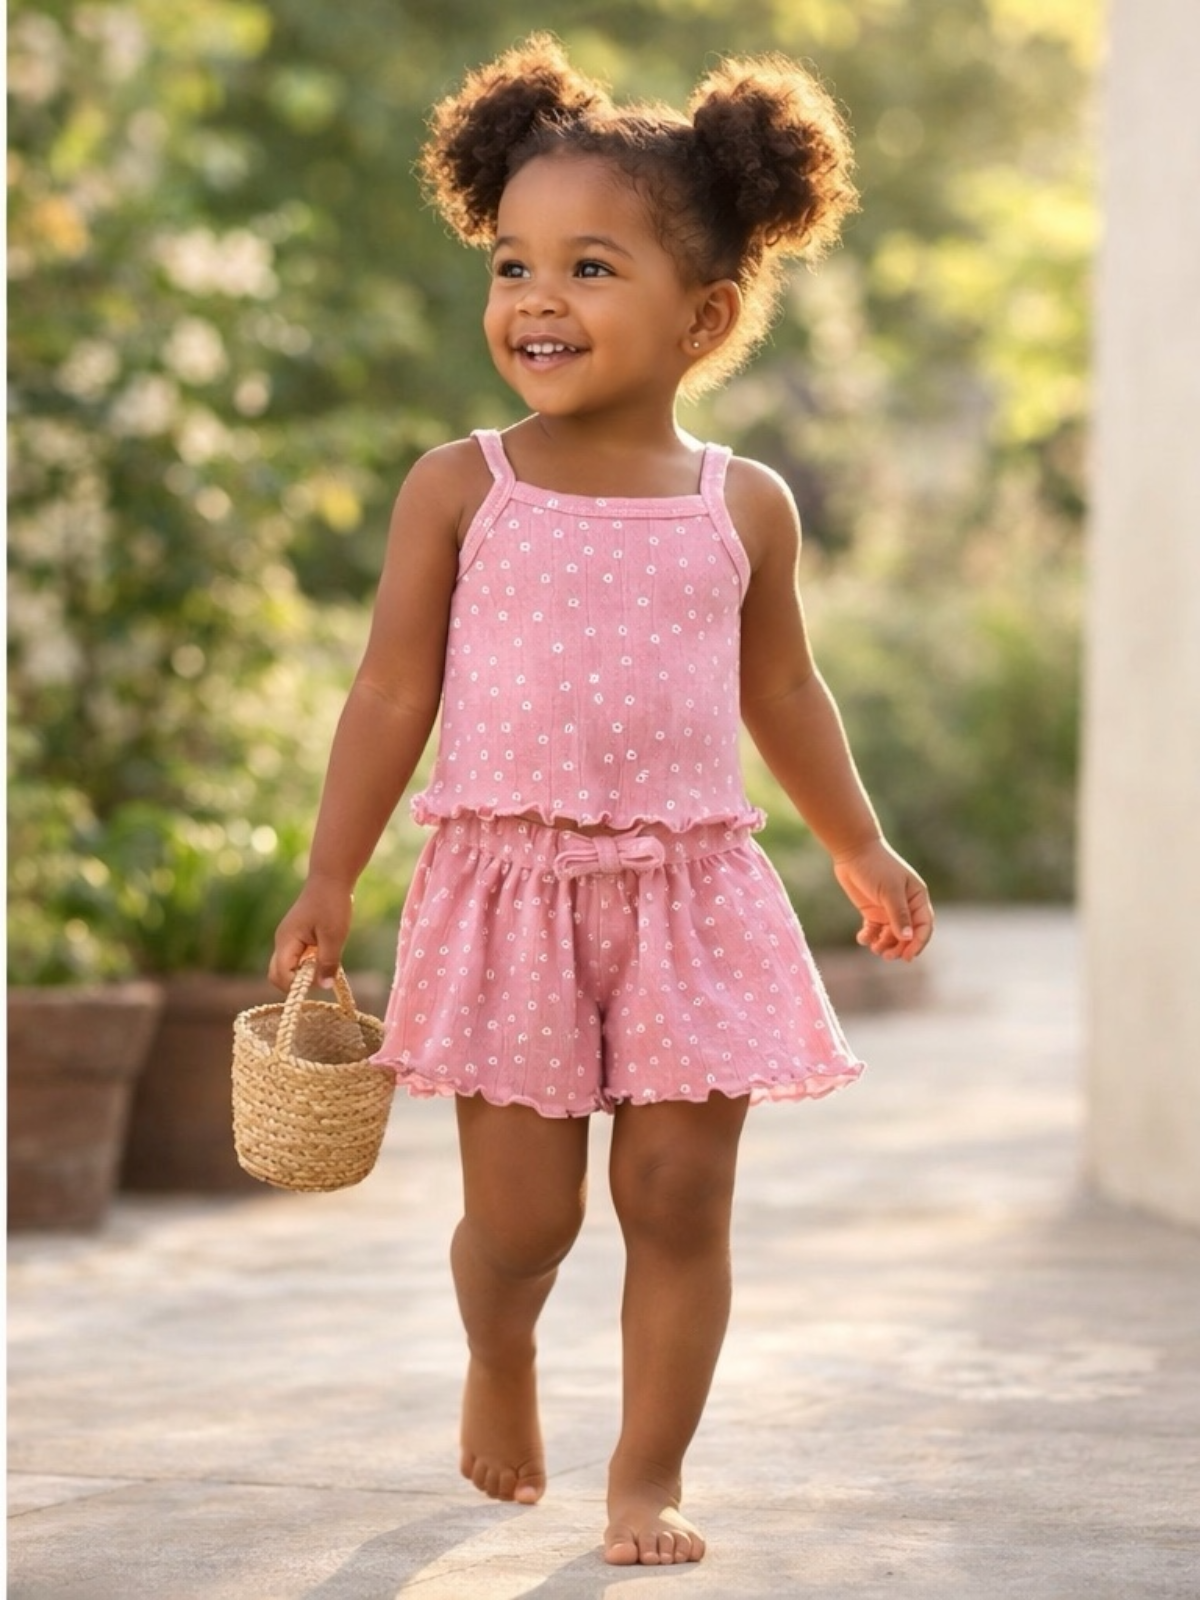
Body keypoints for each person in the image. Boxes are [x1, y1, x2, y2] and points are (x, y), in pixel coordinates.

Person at [270, 33, 934, 1568]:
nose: (537, 299)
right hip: (509, 897)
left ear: (704, 315)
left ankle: (647, 1475)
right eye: (512, 265)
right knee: (527, 1223)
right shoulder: (462, 487)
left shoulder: (742, 504)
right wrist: (328, 874)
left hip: (691, 898)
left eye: (588, 267)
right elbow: (390, 695)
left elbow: (784, 693)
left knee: (680, 1197)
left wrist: (858, 841)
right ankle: (500, 1345)